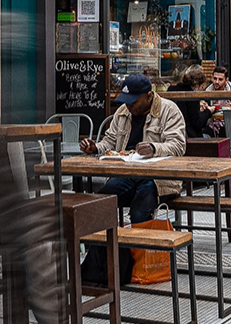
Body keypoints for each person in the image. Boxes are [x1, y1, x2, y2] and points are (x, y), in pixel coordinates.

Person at [80, 76, 188, 223]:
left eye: (133, 101)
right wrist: (95, 147)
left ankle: (138, 245)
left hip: (159, 178)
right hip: (125, 173)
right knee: (100, 204)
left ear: (149, 96)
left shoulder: (169, 111)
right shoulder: (122, 112)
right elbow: (110, 141)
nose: (128, 105)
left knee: (140, 212)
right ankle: (103, 245)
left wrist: (154, 148)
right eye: (126, 100)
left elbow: (178, 146)